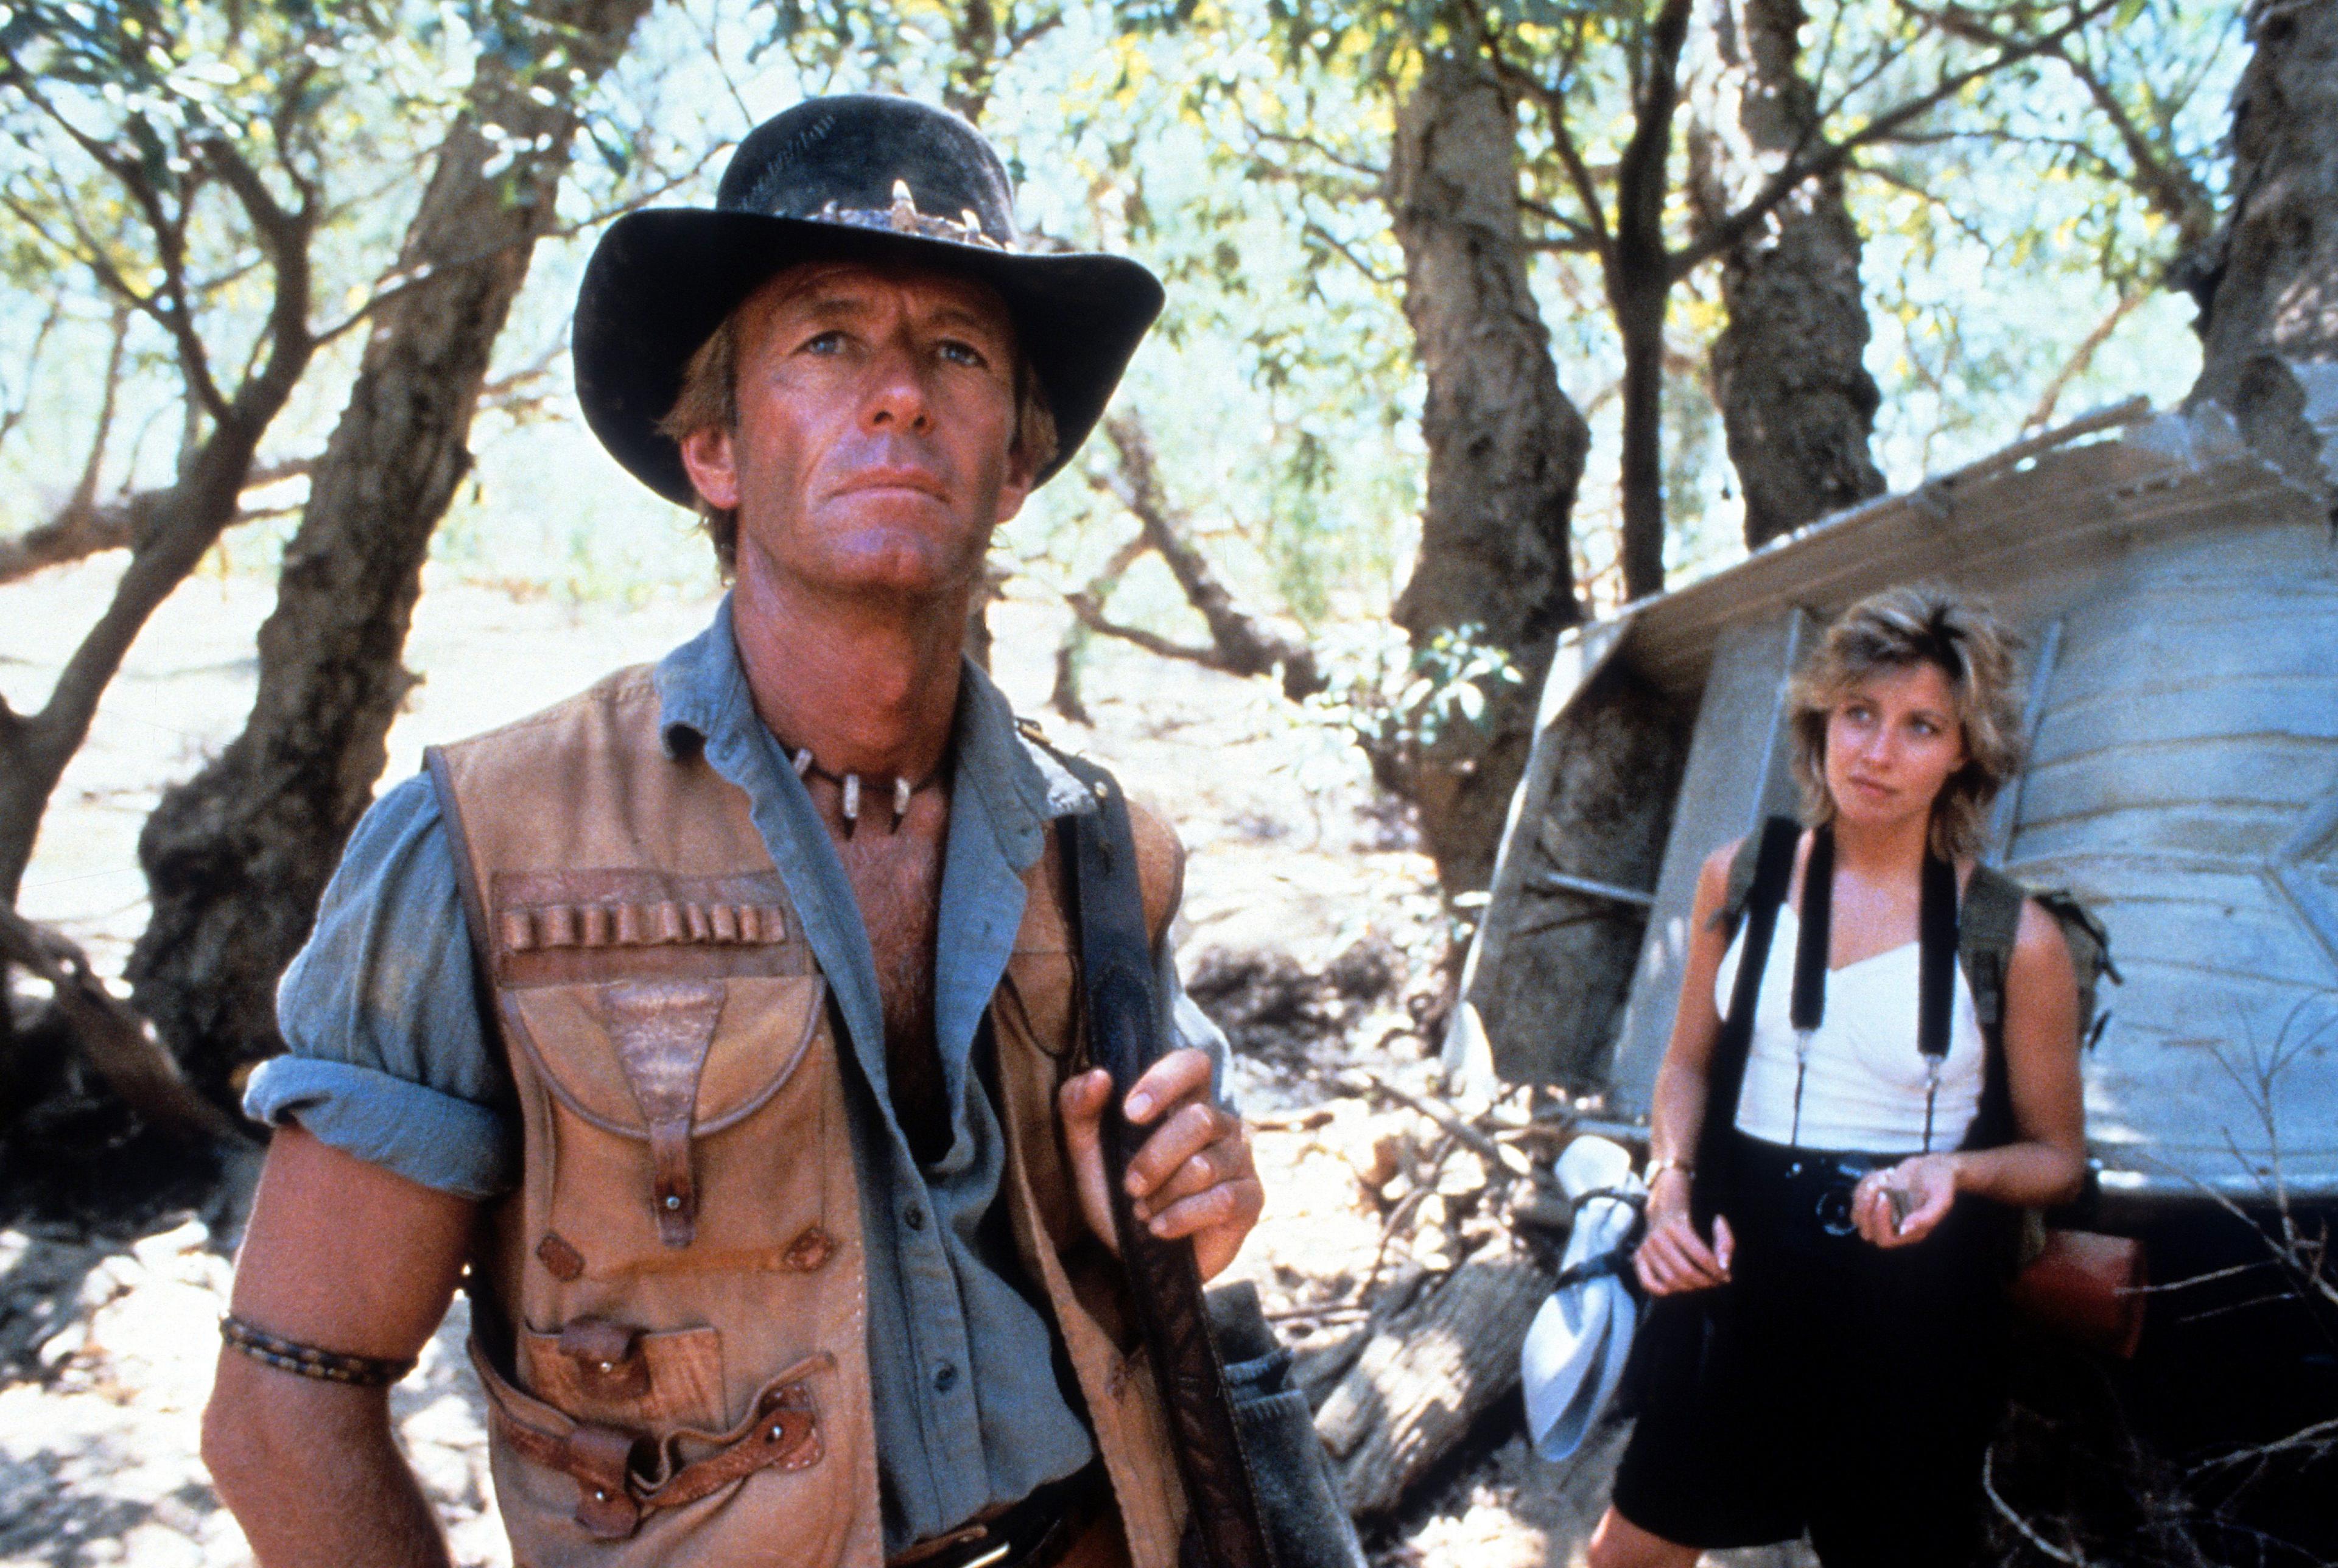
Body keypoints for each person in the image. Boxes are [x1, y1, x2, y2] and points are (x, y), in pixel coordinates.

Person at [201, 95, 1264, 1568]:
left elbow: (1173, 1255)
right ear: (713, 448)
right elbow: (283, 1409)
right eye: (829, 341)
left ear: (1016, 464)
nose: (899, 394)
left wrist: (1183, 1206)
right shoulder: (483, 845)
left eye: (958, 351)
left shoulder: (1103, 850)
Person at [1586, 586, 2088, 1568]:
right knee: (1629, 1555)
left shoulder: (2014, 936)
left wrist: (1958, 1174)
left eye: (1920, 727)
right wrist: (1671, 1188)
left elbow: (2058, 1158)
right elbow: (1685, 1067)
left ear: (1965, 753)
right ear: (1820, 721)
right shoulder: (1741, 879)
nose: (1877, 752)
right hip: (1739, 1280)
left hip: (1915, 1307)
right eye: (1859, 714)